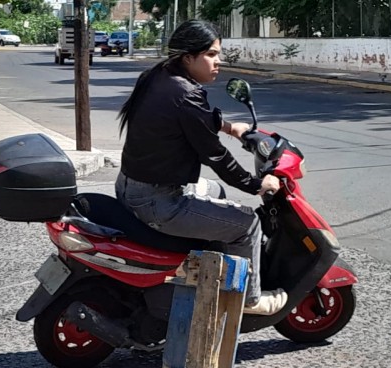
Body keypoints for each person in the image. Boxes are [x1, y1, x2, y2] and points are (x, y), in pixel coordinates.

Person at [115, 19, 287, 316]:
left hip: (131, 186)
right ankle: (250, 299)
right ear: (188, 58)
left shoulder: (158, 76)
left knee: (215, 190)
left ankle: (213, 269)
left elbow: (191, 118)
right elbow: (217, 157)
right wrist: (257, 185)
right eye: (210, 54)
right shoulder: (185, 94)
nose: (218, 62)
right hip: (159, 201)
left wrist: (231, 127)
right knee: (248, 225)